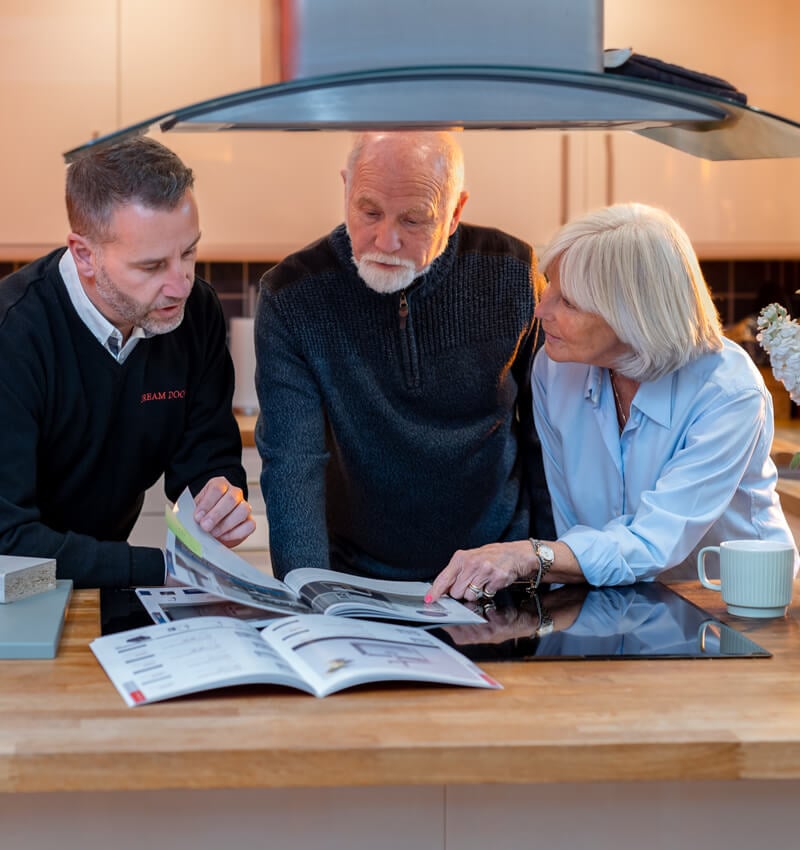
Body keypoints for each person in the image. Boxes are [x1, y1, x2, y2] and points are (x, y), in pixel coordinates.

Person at [427, 202, 798, 603]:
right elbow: (575, 531)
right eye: (549, 284)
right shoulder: (555, 370)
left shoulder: (726, 391)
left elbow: (654, 542)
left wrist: (530, 555)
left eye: (568, 302)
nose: (541, 309)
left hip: (737, 606)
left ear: (632, 317)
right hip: (627, 603)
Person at [255, 130, 552, 581]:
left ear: (455, 213)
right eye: (368, 211)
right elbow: (294, 465)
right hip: (356, 581)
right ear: (346, 189)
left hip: (497, 576)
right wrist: (312, 599)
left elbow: (547, 440)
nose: (385, 240)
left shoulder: (513, 274)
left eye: (414, 220)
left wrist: (548, 572)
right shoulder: (292, 296)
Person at [0, 136, 254, 588]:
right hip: (14, 585)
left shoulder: (194, 314)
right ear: (84, 255)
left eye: (189, 252)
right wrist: (163, 570)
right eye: (152, 266)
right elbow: (9, 543)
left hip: (101, 578)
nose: (180, 285)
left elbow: (207, 455)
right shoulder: (13, 336)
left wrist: (219, 497)